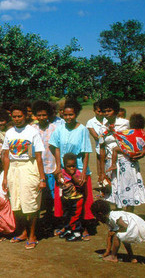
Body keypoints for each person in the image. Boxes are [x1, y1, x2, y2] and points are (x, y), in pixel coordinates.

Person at [2, 104, 46, 249]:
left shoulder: (32, 132)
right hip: (14, 169)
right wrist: (5, 177)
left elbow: (39, 157)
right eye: (14, 117)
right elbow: (6, 156)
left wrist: (42, 178)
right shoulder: (9, 133)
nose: (17, 119)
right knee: (16, 203)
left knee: (31, 203)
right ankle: (23, 232)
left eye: (19, 116)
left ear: (25, 116)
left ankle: (33, 235)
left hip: (29, 167)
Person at [49, 99, 94, 241]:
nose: (68, 118)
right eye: (66, 115)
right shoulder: (60, 129)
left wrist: (84, 173)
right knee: (66, 201)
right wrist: (58, 167)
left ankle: (81, 228)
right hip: (63, 170)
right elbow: (55, 147)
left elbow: (86, 152)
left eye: (71, 115)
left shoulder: (82, 130)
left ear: (76, 114)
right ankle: (67, 227)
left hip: (78, 169)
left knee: (80, 201)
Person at [98, 99, 145, 211]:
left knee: (131, 190)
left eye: (109, 110)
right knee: (115, 192)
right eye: (104, 111)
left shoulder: (125, 124)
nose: (106, 113)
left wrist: (144, 151)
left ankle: (130, 218)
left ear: (115, 111)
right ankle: (120, 220)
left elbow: (138, 137)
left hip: (127, 161)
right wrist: (102, 172)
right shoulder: (102, 128)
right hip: (111, 162)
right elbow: (102, 150)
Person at [31, 100, 57, 220]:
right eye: (39, 115)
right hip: (36, 167)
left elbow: (57, 148)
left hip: (51, 166)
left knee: (52, 194)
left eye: (44, 115)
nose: (41, 118)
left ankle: (52, 217)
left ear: (49, 115)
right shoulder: (31, 128)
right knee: (39, 194)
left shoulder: (54, 128)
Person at [55, 153, 85, 241]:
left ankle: (77, 233)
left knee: (75, 216)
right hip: (67, 199)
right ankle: (68, 230)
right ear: (64, 166)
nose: (72, 168)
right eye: (69, 166)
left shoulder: (77, 173)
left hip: (77, 199)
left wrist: (73, 176)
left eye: (73, 166)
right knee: (66, 215)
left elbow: (79, 183)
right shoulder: (62, 173)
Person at [86, 101, 105, 190]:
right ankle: (102, 187)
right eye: (98, 111)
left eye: (102, 111)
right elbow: (96, 137)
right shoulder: (90, 122)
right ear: (94, 111)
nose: (101, 114)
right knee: (100, 168)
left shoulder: (108, 119)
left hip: (111, 149)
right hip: (100, 149)